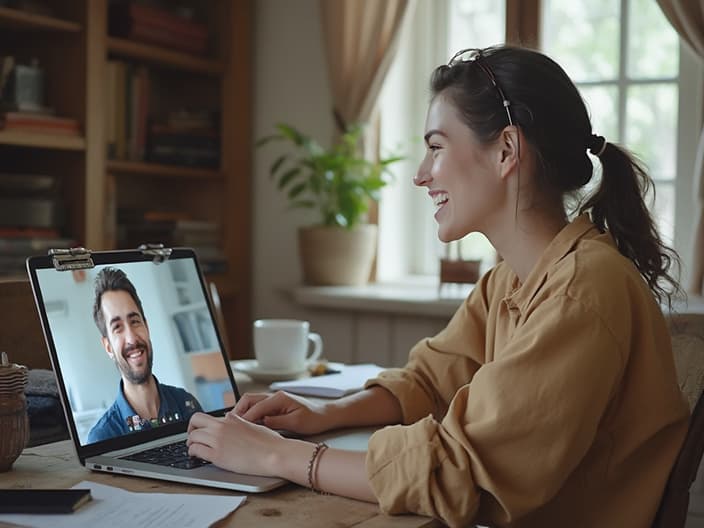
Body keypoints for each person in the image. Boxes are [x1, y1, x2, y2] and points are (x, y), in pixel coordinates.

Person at [186, 45, 689, 527]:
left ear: (506, 151)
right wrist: (322, 414)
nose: (421, 175)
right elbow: (429, 380)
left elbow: (460, 470)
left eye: (435, 148)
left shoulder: (583, 290)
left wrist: (276, 454)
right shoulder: (514, 279)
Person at [88, 267, 202, 443]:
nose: (132, 338)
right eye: (117, 327)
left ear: (146, 327)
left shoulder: (187, 405)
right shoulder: (102, 437)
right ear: (108, 346)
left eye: (135, 322)